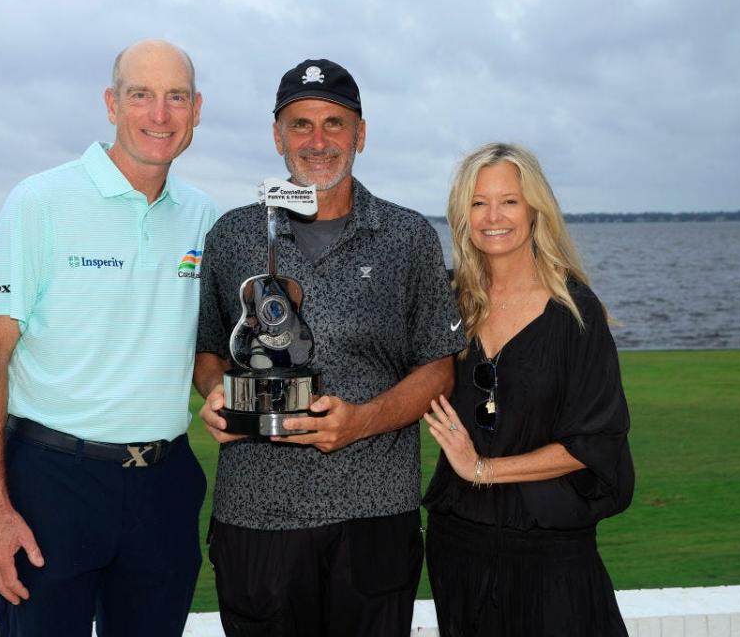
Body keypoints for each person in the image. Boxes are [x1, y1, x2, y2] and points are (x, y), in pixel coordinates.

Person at [194, 58, 466, 637]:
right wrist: (217, 394)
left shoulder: (408, 236)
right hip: (256, 515)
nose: (317, 141)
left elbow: (439, 369)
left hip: (375, 516)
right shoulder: (234, 234)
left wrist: (362, 421)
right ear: (277, 136)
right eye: (300, 124)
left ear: (360, 134)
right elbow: (208, 347)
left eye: (334, 124)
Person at [0, 40, 217, 637]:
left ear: (197, 109)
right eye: (141, 95)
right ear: (111, 103)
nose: (160, 114)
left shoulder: (202, 215)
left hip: (164, 483)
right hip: (53, 483)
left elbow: (206, 346)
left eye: (176, 97)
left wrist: (222, 390)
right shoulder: (40, 201)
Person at [422, 142, 634, 636]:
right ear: (462, 214)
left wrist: (483, 468)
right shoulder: (448, 303)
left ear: (535, 209)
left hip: (551, 549)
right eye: (478, 202)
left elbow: (595, 442)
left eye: (509, 201)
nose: (493, 216)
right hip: (460, 545)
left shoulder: (575, 314)